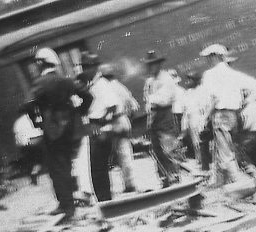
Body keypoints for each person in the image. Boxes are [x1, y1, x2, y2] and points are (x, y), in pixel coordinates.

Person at [23, 47, 93, 218]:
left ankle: (67, 206)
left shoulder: (39, 83)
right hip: (73, 129)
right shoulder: (66, 80)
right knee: (70, 165)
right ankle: (72, 202)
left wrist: (37, 121)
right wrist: (80, 112)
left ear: (41, 64)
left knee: (58, 168)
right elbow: (88, 96)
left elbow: (28, 105)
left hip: (53, 131)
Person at [199, 43, 256, 187]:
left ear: (215, 57)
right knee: (232, 149)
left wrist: (204, 117)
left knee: (225, 152)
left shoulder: (209, 74)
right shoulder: (233, 73)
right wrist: (245, 102)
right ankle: (221, 181)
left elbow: (212, 98)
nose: (207, 61)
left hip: (220, 114)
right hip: (234, 115)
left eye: (209, 57)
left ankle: (238, 184)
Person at [84, 54, 140, 201]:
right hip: (118, 121)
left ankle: (130, 184)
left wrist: (104, 119)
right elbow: (133, 106)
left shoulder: (105, 85)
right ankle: (128, 184)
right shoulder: (109, 85)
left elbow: (114, 106)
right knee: (121, 155)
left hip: (116, 122)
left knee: (122, 153)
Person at [143, 50, 184, 187]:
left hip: (164, 115)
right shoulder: (150, 81)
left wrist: (152, 99)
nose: (150, 67)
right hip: (154, 116)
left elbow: (164, 99)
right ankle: (164, 177)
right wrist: (151, 101)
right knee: (157, 149)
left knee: (168, 147)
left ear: (159, 64)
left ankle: (174, 175)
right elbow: (147, 99)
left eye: (153, 64)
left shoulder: (166, 78)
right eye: (149, 65)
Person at [180, 72, 211, 172]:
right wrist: (184, 125)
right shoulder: (187, 93)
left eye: (190, 79)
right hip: (191, 118)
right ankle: (200, 162)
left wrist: (205, 119)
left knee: (202, 141)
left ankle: (206, 163)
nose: (187, 82)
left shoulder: (202, 91)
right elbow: (185, 109)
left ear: (196, 81)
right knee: (195, 142)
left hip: (200, 117)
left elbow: (206, 106)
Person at [12, 113, 43, 186]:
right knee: (35, 161)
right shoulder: (25, 120)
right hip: (30, 142)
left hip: (27, 143)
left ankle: (33, 176)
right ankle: (34, 176)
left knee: (33, 161)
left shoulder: (19, 122)